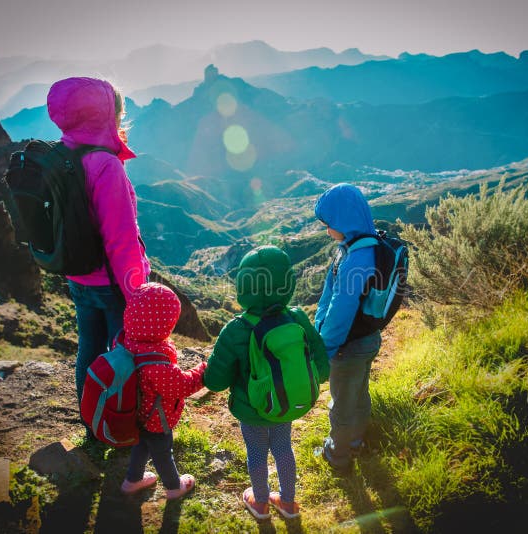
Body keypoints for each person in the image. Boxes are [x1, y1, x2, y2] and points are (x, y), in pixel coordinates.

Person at [46, 77, 150, 413]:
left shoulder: (60, 156)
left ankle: (91, 418)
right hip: (112, 284)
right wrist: (137, 292)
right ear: (108, 117)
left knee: (88, 349)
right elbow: (121, 240)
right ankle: (123, 424)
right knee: (124, 353)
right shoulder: (105, 164)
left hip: (77, 276)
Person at [204, 246, 329, 520]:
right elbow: (321, 363)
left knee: (257, 453)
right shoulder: (296, 318)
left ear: (243, 286)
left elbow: (215, 381)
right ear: (288, 282)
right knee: (284, 448)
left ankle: (259, 502)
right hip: (286, 403)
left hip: (253, 409)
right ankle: (288, 502)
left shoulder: (236, 329)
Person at [314, 183, 381, 470]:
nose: (327, 230)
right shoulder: (366, 245)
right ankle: (356, 442)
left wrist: (325, 349)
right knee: (358, 393)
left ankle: (338, 454)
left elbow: (341, 310)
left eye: (329, 224)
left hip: (348, 346)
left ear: (344, 221)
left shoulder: (356, 258)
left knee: (341, 402)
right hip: (367, 339)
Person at [118, 282, 206, 498]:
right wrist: (203, 370)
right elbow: (181, 386)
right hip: (157, 419)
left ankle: (132, 480)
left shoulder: (126, 341)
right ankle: (175, 487)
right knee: (163, 454)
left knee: (140, 447)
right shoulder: (155, 362)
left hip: (135, 414)